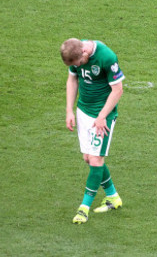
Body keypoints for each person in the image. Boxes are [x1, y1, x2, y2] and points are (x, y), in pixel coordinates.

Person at [60, 38, 125, 224]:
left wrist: (103, 115)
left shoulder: (107, 57)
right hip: (84, 111)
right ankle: (113, 197)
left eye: (78, 63)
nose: (77, 67)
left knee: (96, 160)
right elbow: (72, 80)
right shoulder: (75, 54)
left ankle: (84, 208)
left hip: (103, 115)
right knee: (88, 158)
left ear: (84, 53)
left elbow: (118, 90)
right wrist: (69, 110)